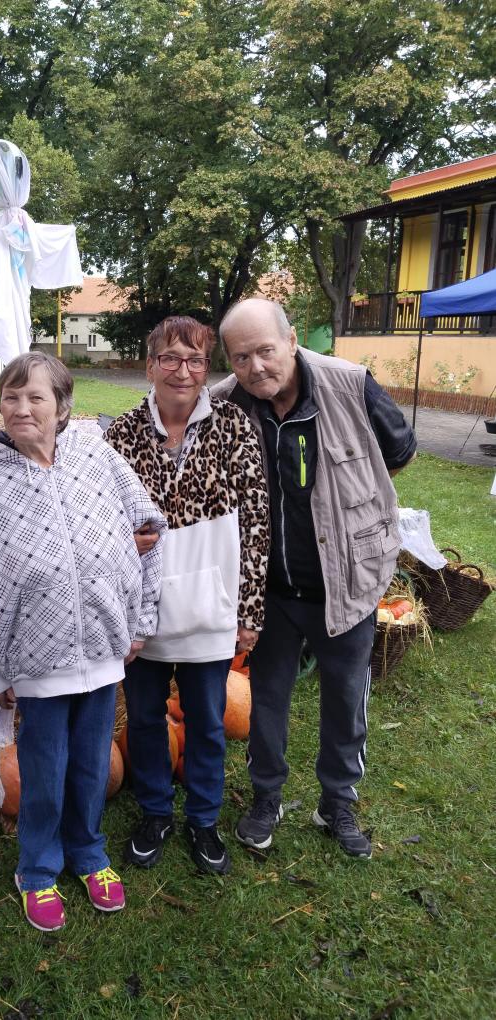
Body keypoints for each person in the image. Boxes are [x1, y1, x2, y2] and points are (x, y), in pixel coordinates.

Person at [0, 352, 166, 933]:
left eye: (36, 397)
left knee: (93, 762)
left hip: (103, 646)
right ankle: (37, 868)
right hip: (34, 657)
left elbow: (151, 528)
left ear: (62, 407)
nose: (22, 408)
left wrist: (140, 620)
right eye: (11, 397)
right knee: (44, 770)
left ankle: (89, 851)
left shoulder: (96, 455)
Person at [213, 298, 417, 860]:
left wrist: (352, 500)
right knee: (266, 698)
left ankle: (338, 804)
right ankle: (266, 797)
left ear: (292, 340)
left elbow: (400, 450)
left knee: (346, 698)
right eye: (241, 357)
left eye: (265, 350)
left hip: (346, 582)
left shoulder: (350, 385)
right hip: (270, 591)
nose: (256, 366)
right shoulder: (226, 403)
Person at [105, 316, 269, 875]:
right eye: (170, 358)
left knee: (207, 721)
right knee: (145, 719)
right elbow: (100, 521)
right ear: (150, 365)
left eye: (195, 360)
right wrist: (124, 541)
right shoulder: (122, 435)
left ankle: (203, 818)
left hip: (210, 608)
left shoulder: (233, 426)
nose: (183, 370)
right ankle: (155, 812)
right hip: (143, 612)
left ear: (207, 368)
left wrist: (250, 610)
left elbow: (256, 523)